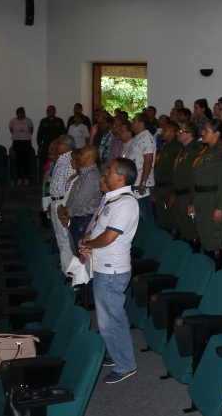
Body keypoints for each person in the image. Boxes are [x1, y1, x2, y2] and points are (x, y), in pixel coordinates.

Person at [80, 158, 139, 384]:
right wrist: (89, 238)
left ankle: (126, 365)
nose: (105, 174)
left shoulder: (126, 203)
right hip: (104, 266)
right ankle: (117, 354)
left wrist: (89, 244)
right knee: (111, 317)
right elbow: (100, 229)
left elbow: (109, 236)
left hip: (112, 270)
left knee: (110, 319)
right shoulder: (113, 198)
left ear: (121, 177)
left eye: (110, 171)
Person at [189, 120, 222, 265]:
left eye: (206, 131)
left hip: (213, 200)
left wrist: (220, 207)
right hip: (201, 199)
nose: (202, 133)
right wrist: (192, 202)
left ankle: (215, 271)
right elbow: (196, 180)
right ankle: (206, 271)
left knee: (213, 240)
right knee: (203, 236)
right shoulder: (204, 151)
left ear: (217, 134)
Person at [58, 146, 101, 252]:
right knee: (75, 250)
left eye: (81, 154)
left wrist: (67, 213)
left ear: (89, 157)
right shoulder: (83, 173)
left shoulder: (92, 176)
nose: (79, 157)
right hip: (77, 217)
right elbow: (73, 196)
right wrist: (65, 210)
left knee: (81, 253)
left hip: (84, 219)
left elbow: (80, 201)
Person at [169, 123, 203, 243]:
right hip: (179, 195)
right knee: (182, 227)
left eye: (181, 131)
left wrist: (193, 201)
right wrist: (174, 192)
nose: (178, 133)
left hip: (189, 195)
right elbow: (177, 174)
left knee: (191, 229)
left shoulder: (196, 150)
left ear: (190, 134)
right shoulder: (182, 150)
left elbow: (196, 177)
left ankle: (194, 255)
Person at [50, 135, 76, 272]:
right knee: (60, 238)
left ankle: (71, 271)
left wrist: (65, 205)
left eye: (59, 143)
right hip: (55, 201)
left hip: (63, 203)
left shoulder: (72, 160)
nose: (56, 146)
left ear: (66, 145)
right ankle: (66, 268)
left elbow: (71, 185)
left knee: (66, 238)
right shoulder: (61, 159)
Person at [152, 120, 182, 229]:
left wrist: (174, 192)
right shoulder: (165, 146)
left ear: (173, 132)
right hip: (160, 187)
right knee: (162, 217)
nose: (162, 133)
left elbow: (177, 172)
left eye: (165, 130)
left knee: (169, 217)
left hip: (168, 188)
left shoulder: (177, 147)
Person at [129, 114, 156, 219]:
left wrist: (143, 182)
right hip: (135, 181)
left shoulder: (147, 137)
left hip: (141, 183)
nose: (131, 124)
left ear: (141, 123)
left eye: (134, 121)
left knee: (143, 214)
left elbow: (148, 160)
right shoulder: (138, 137)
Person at [37, 105, 66, 173]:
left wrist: (62, 145)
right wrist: (40, 145)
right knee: (46, 165)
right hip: (46, 146)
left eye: (51, 110)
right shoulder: (43, 121)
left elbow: (63, 134)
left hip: (57, 146)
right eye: (48, 111)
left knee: (57, 164)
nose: (49, 112)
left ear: (54, 111)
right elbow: (39, 135)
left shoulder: (59, 121)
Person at [9, 107, 34, 186]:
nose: (20, 114)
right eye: (19, 113)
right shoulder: (13, 121)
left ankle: (26, 178)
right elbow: (11, 130)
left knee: (26, 161)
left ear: (24, 113)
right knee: (18, 161)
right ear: (17, 113)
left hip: (26, 142)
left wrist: (24, 135)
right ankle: (19, 178)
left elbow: (31, 130)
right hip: (17, 143)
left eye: (22, 112)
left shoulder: (28, 121)